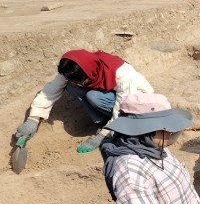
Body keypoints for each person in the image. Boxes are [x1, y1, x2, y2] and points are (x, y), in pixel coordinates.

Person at [13, 49, 154, 154]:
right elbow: (50, 91)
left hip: (137, 102)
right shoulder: (75, 69)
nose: (78, 84)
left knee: (94, 96)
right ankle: (105, 121)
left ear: (89, 72)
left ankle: (112, 127)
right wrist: (32, 120)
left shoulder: (122, 73)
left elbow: (123, 105)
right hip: (110, 97)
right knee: (70, 87)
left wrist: (104, 135)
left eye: (80, 80)